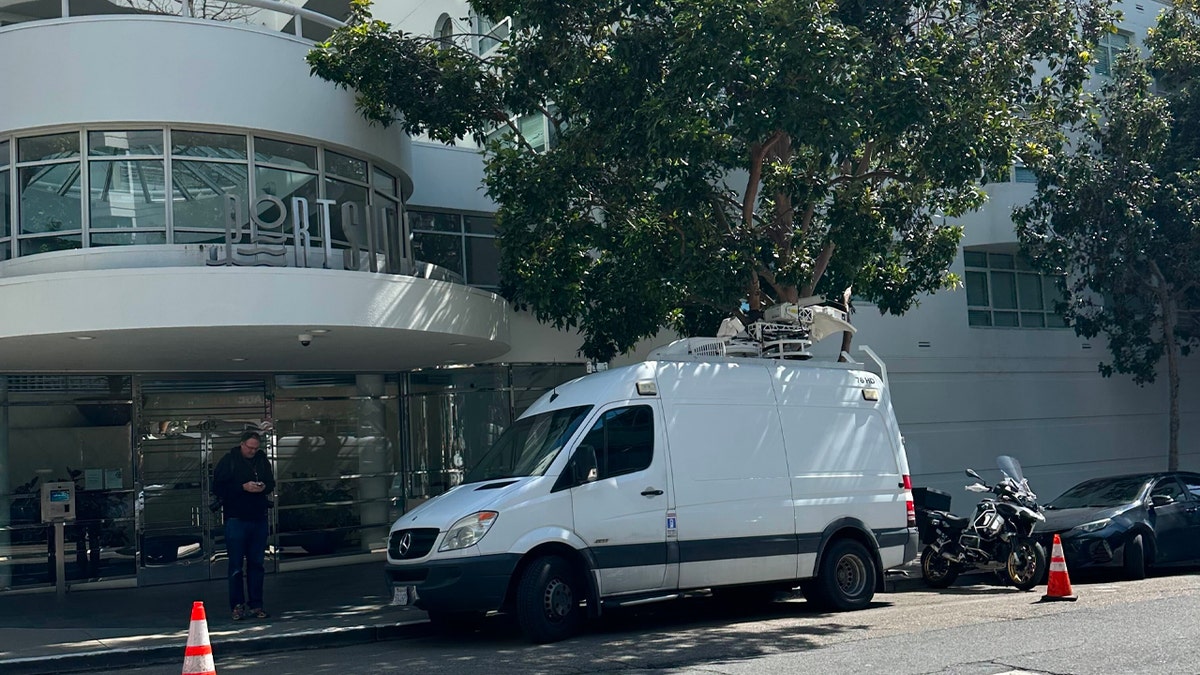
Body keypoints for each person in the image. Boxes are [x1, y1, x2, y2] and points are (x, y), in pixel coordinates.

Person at [212, 430, 275, 620]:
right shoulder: (229, 460)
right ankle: (237, 605)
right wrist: (242, 487)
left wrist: (263, 487)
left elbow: (271, 482)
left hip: (258, 517)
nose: (252, 451)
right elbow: (218, 487)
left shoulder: (261, 460)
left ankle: (256, 604)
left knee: (257, 564)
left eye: (256, 448)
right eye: (250, 448)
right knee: (236, 565)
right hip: (236, 519)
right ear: (242, 444)